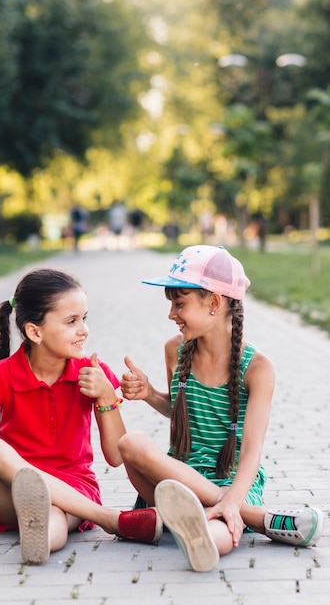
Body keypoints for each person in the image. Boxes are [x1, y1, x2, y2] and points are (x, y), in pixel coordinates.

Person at [117, 245, 324, 572]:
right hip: (177, 475)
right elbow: (181, 411)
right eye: (171, 303)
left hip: (233, 478)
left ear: (214, 302)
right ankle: (253, 518)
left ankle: (201, 528)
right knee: (131, 443)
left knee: (217, 531)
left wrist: (232, 498)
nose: (171, 314)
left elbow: (252, 450)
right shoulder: (175, 350)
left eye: (179, 303)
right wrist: (148, 394)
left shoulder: (257, 368)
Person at [0, 268, 161, 565]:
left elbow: (116, 456)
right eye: (71, 321)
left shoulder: (93, 372)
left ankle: (37, 539)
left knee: (53, 520)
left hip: (74, 487)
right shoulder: (0, 376)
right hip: (13, 488)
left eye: (84, 318)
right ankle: (111, 519)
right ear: (35, 332)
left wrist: (105, 396)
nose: (84, 330)